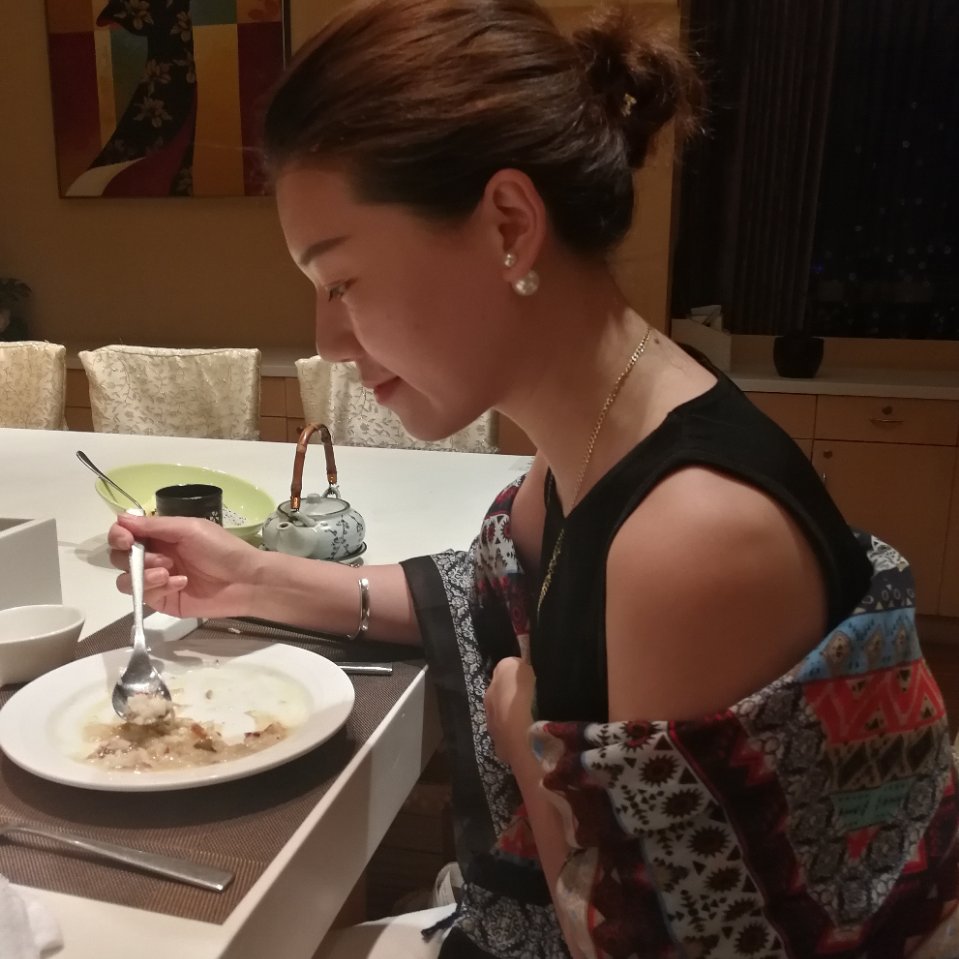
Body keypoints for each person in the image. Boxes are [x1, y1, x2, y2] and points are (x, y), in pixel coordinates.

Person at [108, 0, 959, 955]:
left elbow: (638, 933)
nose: (328, 340)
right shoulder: (595, 435)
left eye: (340, 281)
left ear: (509, 225)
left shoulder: (692, 539)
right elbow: (493, 589)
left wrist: (523, 729)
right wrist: (252, 577)